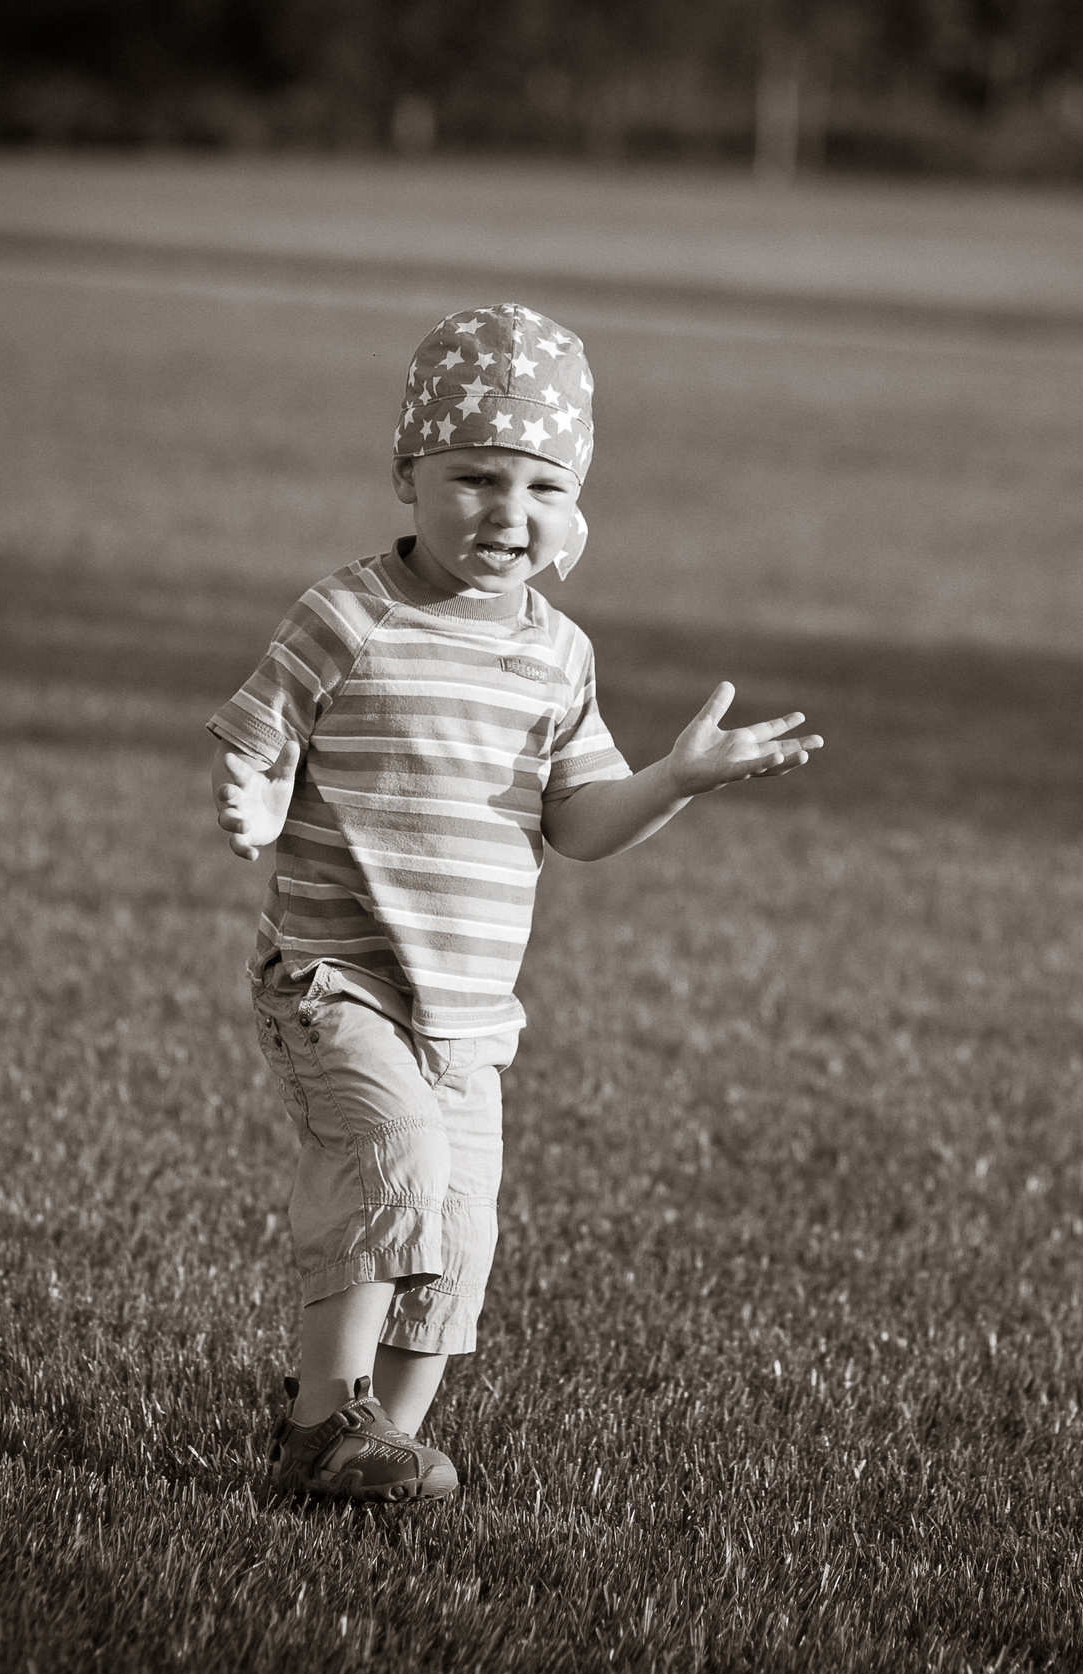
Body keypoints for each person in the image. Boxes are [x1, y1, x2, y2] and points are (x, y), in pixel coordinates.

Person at [207, 303, 823, 1502]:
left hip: (469, 1013)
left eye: (541, 485)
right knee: (392, 1153)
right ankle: (320, 1424)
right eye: (474, 476)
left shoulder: (558, 654)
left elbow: (579, 824)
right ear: (407, 475)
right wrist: (254, 796)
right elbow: (257, 733)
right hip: (334, 972)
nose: (508, 511)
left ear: (575, 502)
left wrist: (677, 780)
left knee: (460, 1224)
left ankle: (381, 1438)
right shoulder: (347, 614)